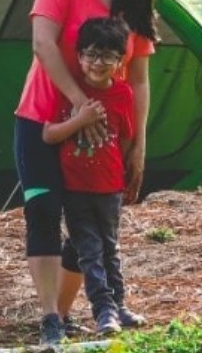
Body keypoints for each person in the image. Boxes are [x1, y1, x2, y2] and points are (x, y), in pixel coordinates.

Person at [13, 0, 158, 347]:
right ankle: (48, 319)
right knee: (42, 211)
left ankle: (64, 311)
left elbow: (138, 78)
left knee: (88, 224)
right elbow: (42, 43)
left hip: (104, 136)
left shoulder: (134, 5)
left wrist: (138, 146)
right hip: (42, 117)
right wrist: (82, 107)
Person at [44, 17, 138, 335]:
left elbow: (124, 137)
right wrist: (80, 118)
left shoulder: (123, 94)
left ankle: (120, 305)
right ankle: (103, 311)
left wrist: (123, 175)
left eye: (108, 56)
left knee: (110, 247)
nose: (98, 63)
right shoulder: (70, 91)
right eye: (91, 54)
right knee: (90, 250)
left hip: (109, 187)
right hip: (75, 188)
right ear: (80, 55)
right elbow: (49, 134)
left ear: (120, 60)